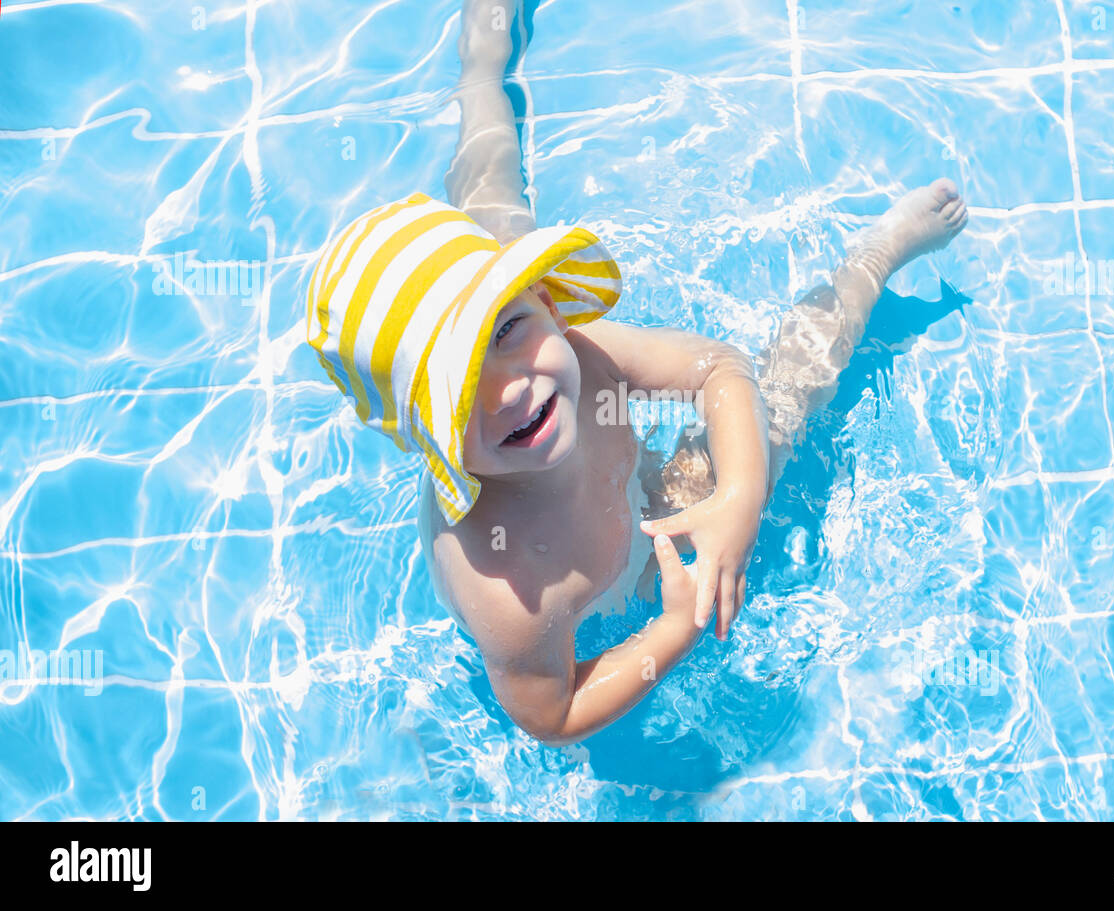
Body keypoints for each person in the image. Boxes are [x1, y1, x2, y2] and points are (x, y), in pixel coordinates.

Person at [306, 0, 967, 745]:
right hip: (648, 563)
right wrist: (677, 628)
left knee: (491, 183)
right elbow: (551, 714)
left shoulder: (582, 356)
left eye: (508, 330)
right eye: (457, 395)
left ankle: (481, 61)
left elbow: (720, 368)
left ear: (551, 304)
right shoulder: (505, 586)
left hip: (618, 454)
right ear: (432, 434)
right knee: (766, 420)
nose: (510, 386)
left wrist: (742, 500)